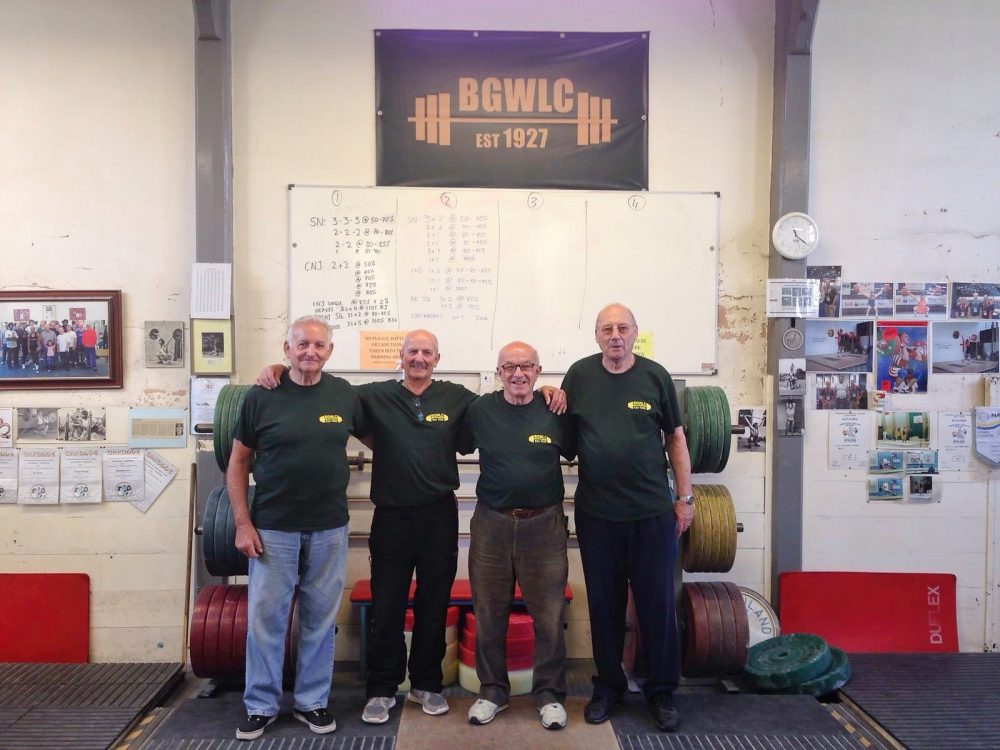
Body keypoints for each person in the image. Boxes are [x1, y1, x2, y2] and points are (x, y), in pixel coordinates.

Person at [257, 330, 565, 726]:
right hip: (391, 516)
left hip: (439, 515)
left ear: (438, 359)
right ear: (400, 358)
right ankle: (382, 690)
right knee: (387, 606)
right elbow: (320, 386)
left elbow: (514, 397)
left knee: (434, 605)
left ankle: (427, 685)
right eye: (412, 352)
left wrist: (548, 390)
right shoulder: (372, 395)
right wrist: (280, 369)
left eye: (427, 353)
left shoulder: (459, 399)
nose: (419, 358)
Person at [228, 317, 367, 741]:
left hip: (329, 528)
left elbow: (384, 433)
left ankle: (312, 702)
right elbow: (237, 463)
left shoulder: (344, 394)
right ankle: (261, 705)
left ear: (329, 350)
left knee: (319, 620)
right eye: (301, 344)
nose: (310, 352)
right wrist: (242, 523)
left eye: (319, 345)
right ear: (286, 349)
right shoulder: (261, 396)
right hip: (273, 529)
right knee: (265, 620)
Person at [560, 304, 694, 733]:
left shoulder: (655, 376)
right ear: (596, 336)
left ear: (635, 332)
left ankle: (661, 691)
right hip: (598, 515)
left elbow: (676, 439)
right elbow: (561, 432)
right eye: (606, 329)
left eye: (622, 328)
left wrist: (685, 498)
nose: (615, 335)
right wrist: (547, 392)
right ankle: (609, 688)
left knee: (657, 606)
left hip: (652, 513)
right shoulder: (579, 376)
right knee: (604, 607)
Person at [457, 341, 571, 730]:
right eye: (509, 367)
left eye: (526, 366)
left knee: (549, 614)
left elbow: (580, 449)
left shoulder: (555, 408)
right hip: (492, 523)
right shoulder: (480, 410)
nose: (518, 374)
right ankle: (492, 692)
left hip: (545, 524)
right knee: (489, 612)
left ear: (539, 371)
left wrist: (555, 393)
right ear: (498, 372)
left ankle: (550, 696)